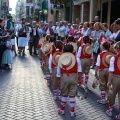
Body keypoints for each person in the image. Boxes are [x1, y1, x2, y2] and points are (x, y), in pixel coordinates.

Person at [56, 44, 82, 117]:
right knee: (72, 95)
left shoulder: (61, 59)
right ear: (72, 51)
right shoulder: (76, 59)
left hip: (64, 77)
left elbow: (58, 71)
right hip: (74, 77)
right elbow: (79, 71)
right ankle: (72, 112)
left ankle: (62, 110)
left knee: (64, 93)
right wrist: (79, 79)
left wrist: (58, 79)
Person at [106, 41, 120, 119]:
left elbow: (111, 71)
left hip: (116, 78)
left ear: (116, 48)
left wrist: (109, 81)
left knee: (112, 94)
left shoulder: (113, 58)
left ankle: (110, 111)